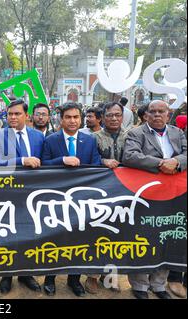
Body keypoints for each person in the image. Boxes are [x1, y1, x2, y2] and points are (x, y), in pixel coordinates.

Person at [123, 100, 187, 299]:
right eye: (153, 111)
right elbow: (130, 156)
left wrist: (176, 162)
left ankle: (158, 285)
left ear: (169, 114)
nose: (157, 115)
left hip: (174, 195)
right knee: (144, 236)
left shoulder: (178, 133)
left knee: (167, 236)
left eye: (161, 111)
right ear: (146, 115)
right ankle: (140, 286)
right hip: (146, 194)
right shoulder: (136, 133)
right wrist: (162, 163)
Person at [42, 102, 101, 297]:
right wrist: (62, 160)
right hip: (56, 201)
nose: (72, 121)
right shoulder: (51, 140)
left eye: (76, 117)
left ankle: (74, 280)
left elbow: (95, 165)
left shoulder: (89, 140)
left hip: (81, 200)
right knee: (54, 239)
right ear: (61, 119)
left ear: (81, 119)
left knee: (79, 240)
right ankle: (50, 279)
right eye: (68, 117)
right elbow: (43, 166)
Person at [0, 99, 45, 294]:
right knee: (8, 235)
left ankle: (26, 274)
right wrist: (22, 160)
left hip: (33, 196)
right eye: (9, 114)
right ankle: (7, 274)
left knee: (30, 235)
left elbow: (46, 163)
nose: (12, 117)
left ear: (26, 115)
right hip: (8, 195)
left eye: (17, 114)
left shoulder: (38, 136)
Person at [84, 102, 129, 294]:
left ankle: (110, 276)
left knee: (119, 235)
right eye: (110, 115)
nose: (114, 118)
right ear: (103, 117)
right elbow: (90, 160)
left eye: (117, 115)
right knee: (97, 233)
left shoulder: (132, 136)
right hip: (99, 194)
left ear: (122, 116)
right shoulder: (93, 138)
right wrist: (103, 161)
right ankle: (92, 276)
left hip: (125, 194)